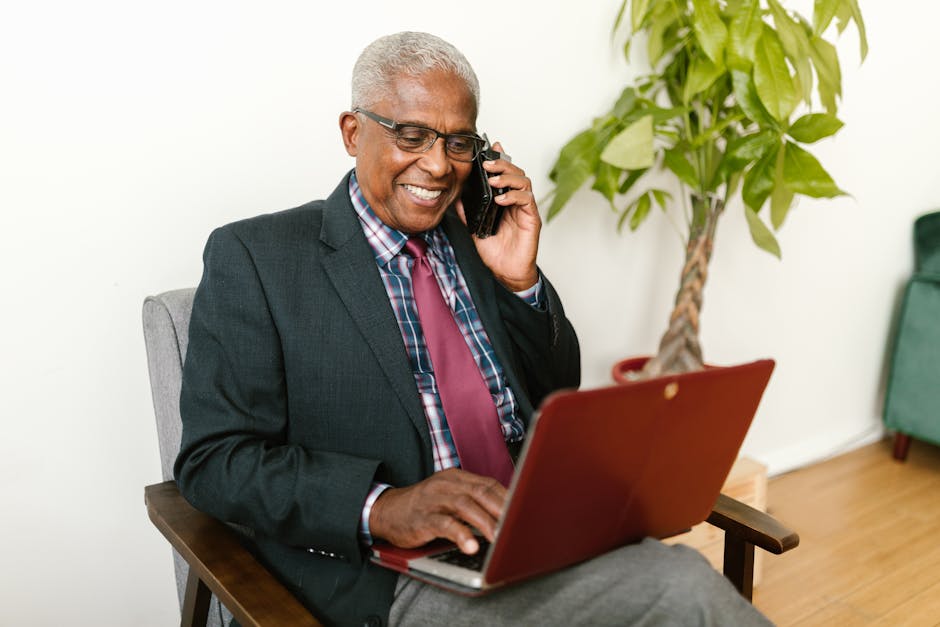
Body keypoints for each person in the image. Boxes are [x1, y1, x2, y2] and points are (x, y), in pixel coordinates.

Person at [175, 31, 772, 627]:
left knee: (680, 581)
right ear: (353, 133)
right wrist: (383, 507)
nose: (438, 165)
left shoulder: (479, 237)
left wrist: (520, 281)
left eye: (458, 142)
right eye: (411, 135)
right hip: (392, 576)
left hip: (532, 529)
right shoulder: (258, 258)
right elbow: (214, 460)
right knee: (681, 586)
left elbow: (554, 396)